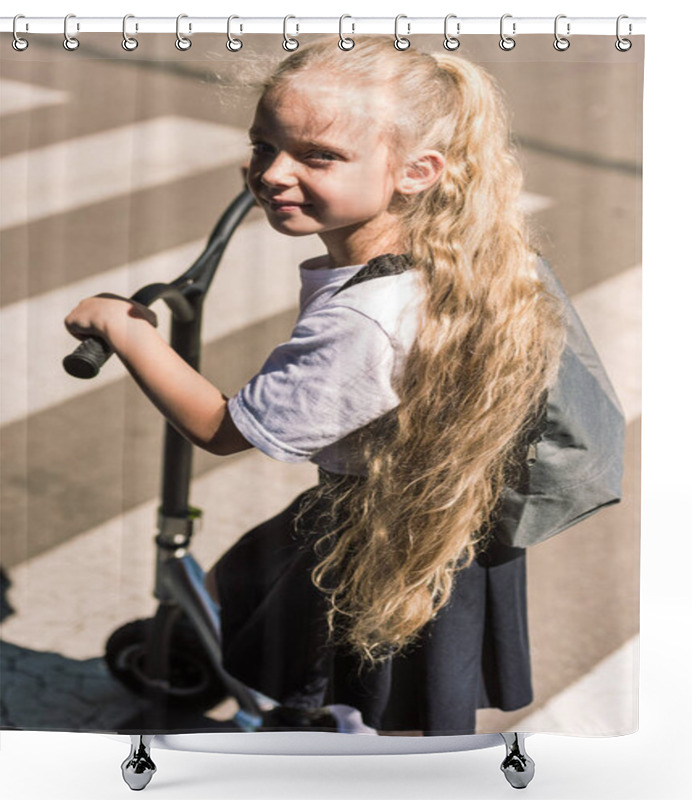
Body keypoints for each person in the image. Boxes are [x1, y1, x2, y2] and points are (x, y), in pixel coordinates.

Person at [64, 35, 565, 736]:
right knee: (263, 604)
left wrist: (128, 331)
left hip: (385, 540)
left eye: (317, 156)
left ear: (417, 171)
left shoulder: (368, 318)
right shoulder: (472, 251)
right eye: (264, 145)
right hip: (425, 509)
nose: (272, 173)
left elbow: (218, 427)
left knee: (365, 698)